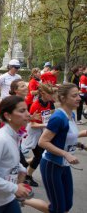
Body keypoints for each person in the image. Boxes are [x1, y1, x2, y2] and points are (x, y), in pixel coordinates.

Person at [38, 83, 87, 213]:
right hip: (51, 164)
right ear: (63, 98)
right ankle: (24, 200)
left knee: (67, 205)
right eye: (74, 96)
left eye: (78, 95)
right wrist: (66, 154)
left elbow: (66, 138)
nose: (79, 98)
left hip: (64, 165)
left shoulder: (72, 115)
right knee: (58, 208)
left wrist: (81, 145)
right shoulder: (58, 118)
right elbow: (42, 142)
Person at [20, 84, 55, 188]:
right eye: (50, 94)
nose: (52, 96)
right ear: (43, 94)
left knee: (39, 156)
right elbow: (33, 124)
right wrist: (47, 125)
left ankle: (27, 174)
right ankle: (23, 171)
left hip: (42, 131)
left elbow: (50, 115)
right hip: (32, 132)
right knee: (37, 156)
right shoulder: (35, 105)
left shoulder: (49, 103)